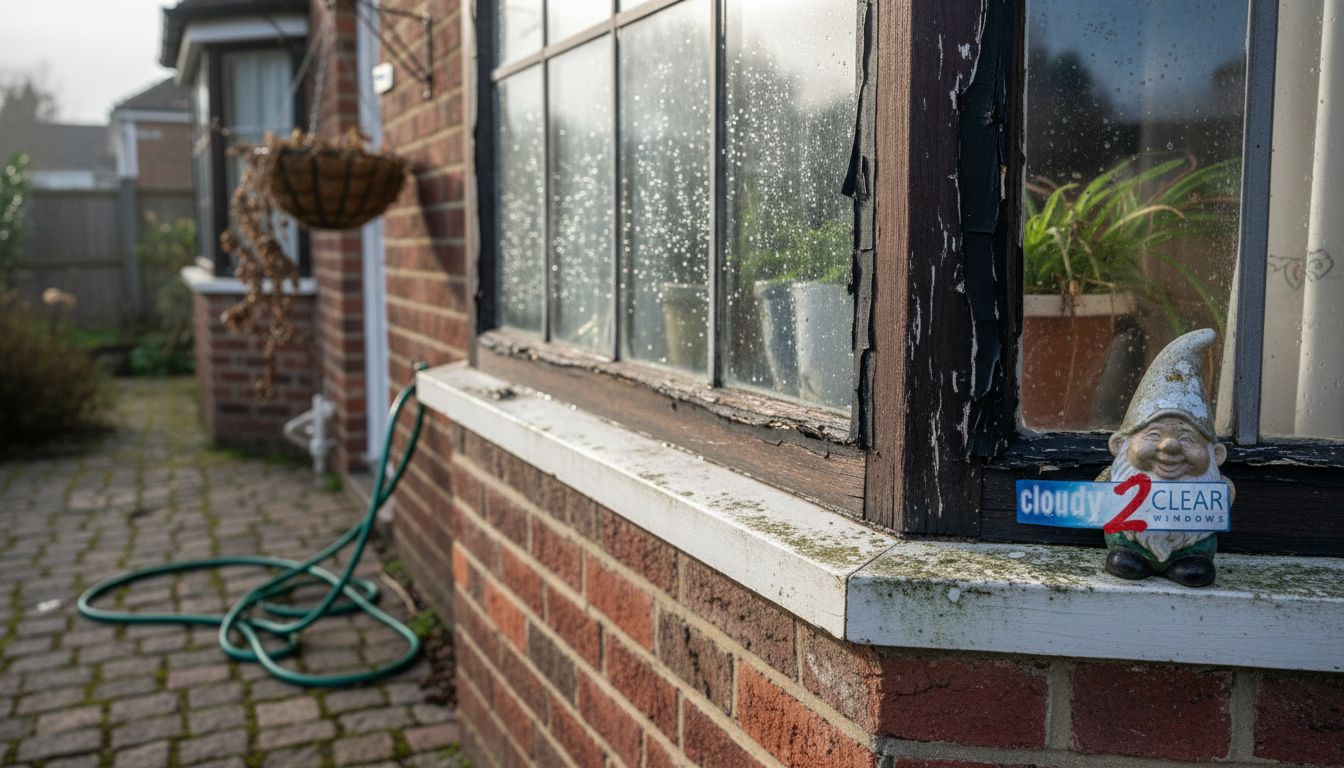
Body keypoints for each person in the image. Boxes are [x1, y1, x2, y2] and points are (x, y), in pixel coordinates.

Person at [1100, 328, 1233, 588]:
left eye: (1187, 438)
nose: (1170, 446)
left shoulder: (1216, 489)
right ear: (1119, 445)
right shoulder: (1115, 479)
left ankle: (1188, 558)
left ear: (1216, 455)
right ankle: (1133, 553)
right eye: (1153, 434)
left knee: (1195, 568)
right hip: (1131, 545)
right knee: (1125, 560)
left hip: (1191, 549)